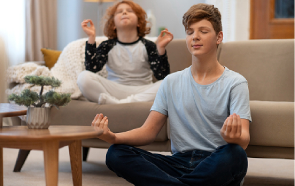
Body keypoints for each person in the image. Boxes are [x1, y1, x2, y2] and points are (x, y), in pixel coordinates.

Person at [92, 3, 251, 186]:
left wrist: (234, 138)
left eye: (203, 31)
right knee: (116, 153)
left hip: (215, 163)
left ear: (219, 37)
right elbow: (148, 132)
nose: (195, 37)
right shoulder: (171, 82)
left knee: (236, 154)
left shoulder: (236, 83)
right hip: (178, 163)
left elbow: (244, 140)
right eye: (190, 32)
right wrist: (112, 137)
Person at [77, 0, 173, 105]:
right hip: (114, 90)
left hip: (142, 90)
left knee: (170, 82)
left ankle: (117, 104)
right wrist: (91, 38)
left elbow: (162, 76)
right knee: (83, 77)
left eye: (129, 11)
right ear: (113, 24)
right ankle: (119, 102)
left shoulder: (149, 45)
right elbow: (92, 69)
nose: (124, 12)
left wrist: (161, 49)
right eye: (119, 12)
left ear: (139, 23)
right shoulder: (106, 45)